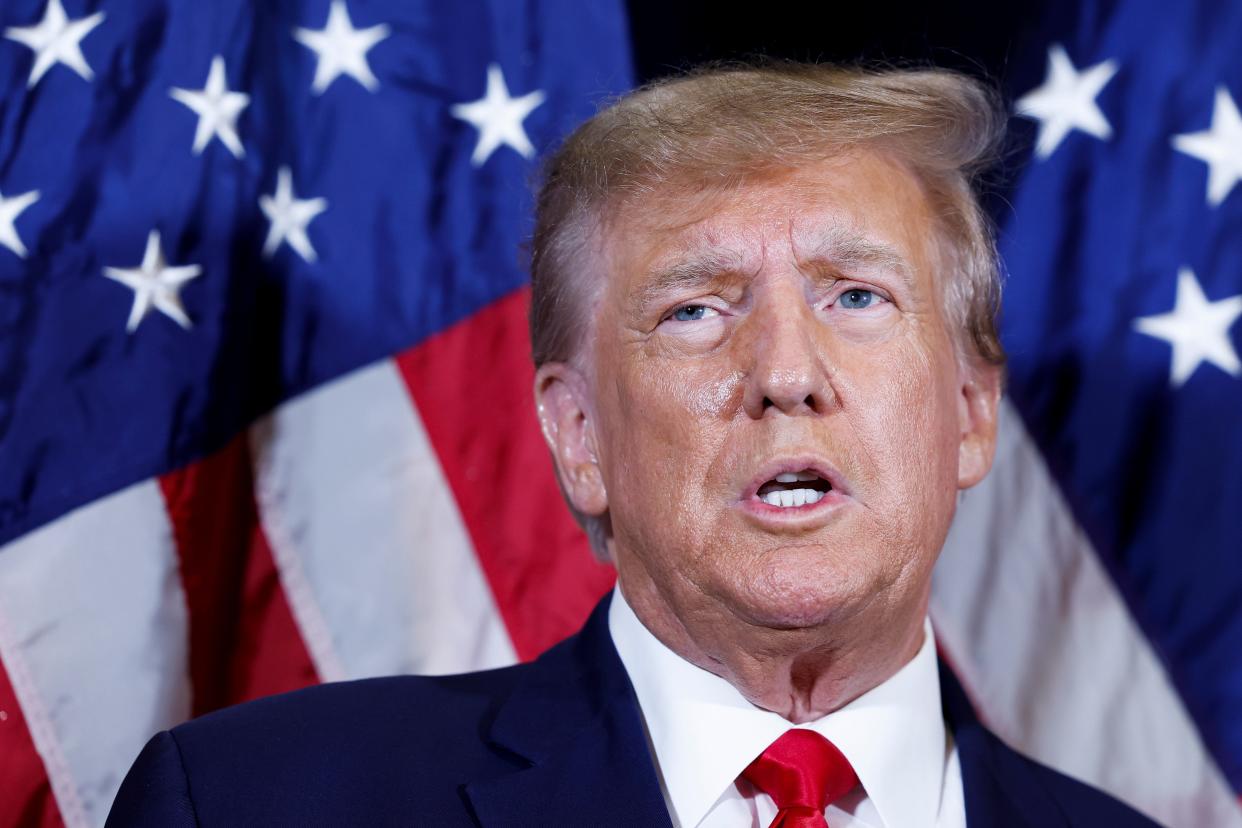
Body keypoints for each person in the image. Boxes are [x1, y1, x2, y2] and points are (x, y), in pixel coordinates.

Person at [107, 62, 1161, 827]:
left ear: (971, 412)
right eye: (696, 311)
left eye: (856, 294)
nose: (787, 374)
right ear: (578, 435)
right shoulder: (261, 804)